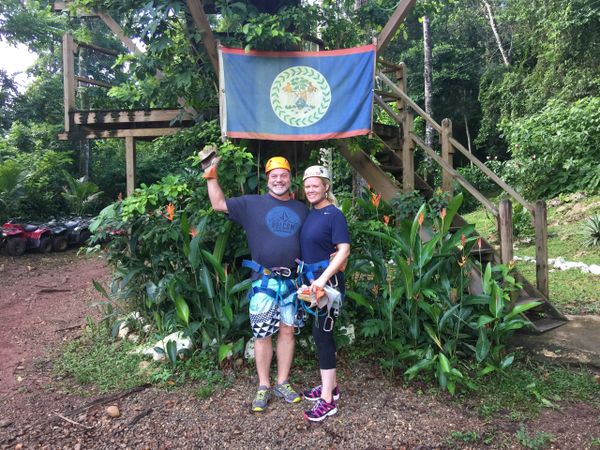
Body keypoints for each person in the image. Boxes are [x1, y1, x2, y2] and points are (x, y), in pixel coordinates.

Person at [203, 152, 308, 412]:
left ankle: (282, 381)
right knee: (262, 335)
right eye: (274, 176)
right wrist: (210, 175)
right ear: (267, 179)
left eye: (284, 175)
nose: (279, 180)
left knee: (287, 332)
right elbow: (218, 204)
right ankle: (263, 385)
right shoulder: (252, 204)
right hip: (265, 280)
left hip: (293, 281)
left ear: (290, 179)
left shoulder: (300, 207)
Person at [298, 165, 350, 422]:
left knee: (322, 335)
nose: (310, 190)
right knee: (322, 334)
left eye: (315, 185)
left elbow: (343, 250)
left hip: (328, 285)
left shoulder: (334, 214)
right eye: (307, 186)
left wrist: (322, 279)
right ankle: (333, 387)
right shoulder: (312, 213)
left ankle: (328, 400)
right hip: (315, 284)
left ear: (326, 186)